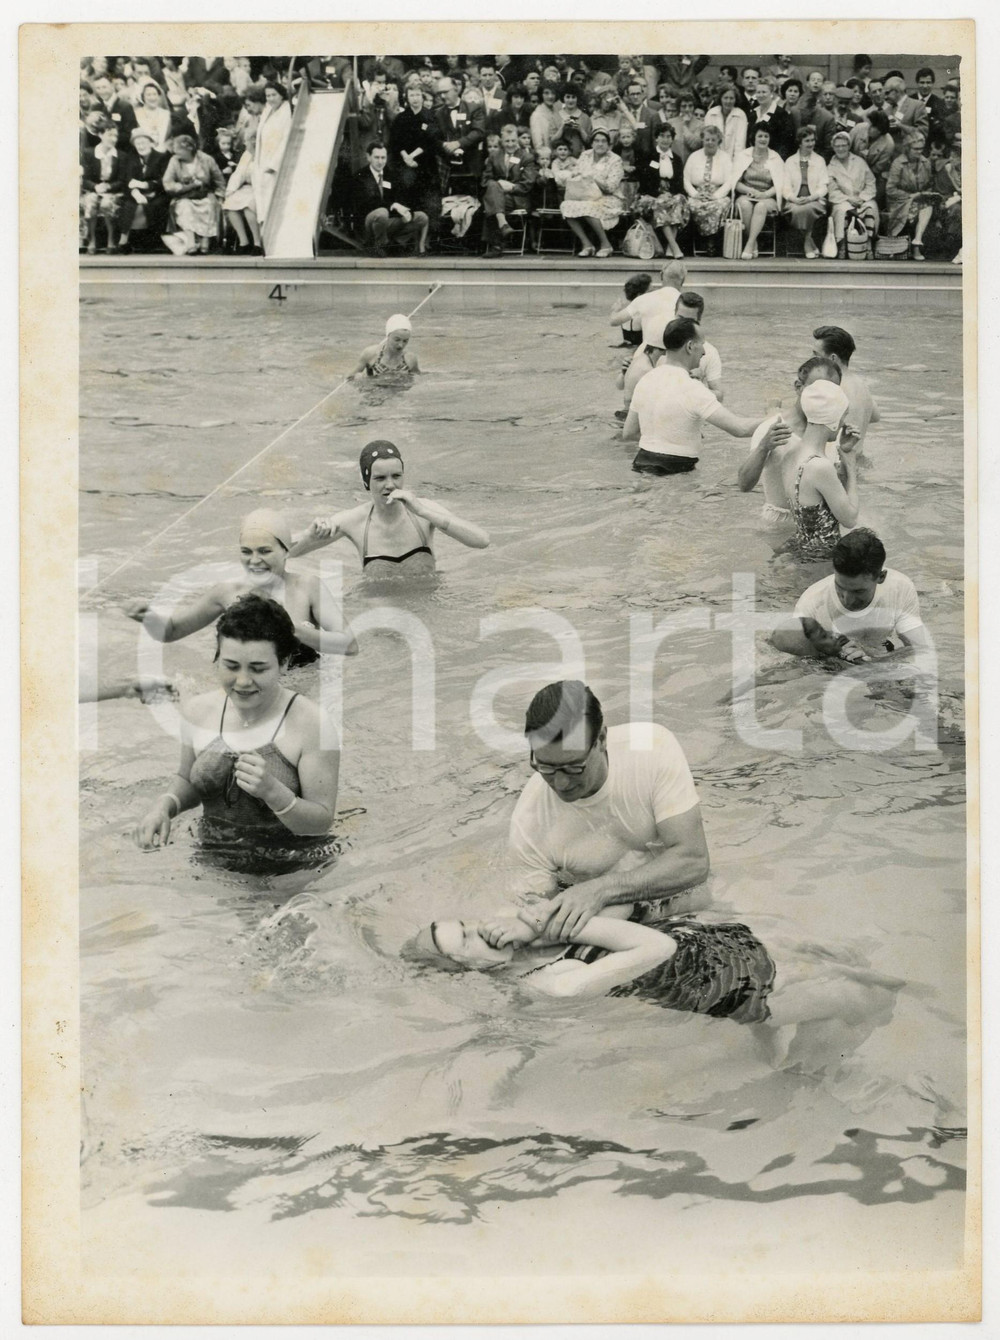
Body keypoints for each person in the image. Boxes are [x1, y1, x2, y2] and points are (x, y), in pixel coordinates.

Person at [133, 594, 341, 874]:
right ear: (217, 658)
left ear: (285, 663)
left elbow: (321, 821)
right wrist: (164, 806)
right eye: (231, 666)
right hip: (213, 858)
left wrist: (274, 792)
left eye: (258, 668)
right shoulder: (198, 711)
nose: (242, 681)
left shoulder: (312, 723)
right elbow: (186, 779)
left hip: (295, 867)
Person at [504, 680, 710, 941]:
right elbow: (534, 915)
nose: (560, 783)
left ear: (601, 739)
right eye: (545, 767)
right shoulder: (530, 820)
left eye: (573, 767)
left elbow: (694, 862)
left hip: (677, 900)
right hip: (600, 918)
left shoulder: (651, 749)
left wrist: (601, 890)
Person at [123, 508, 358, 665]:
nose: (254, 560)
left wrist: (291, 629)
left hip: (296, 693)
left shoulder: (308, 587)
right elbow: (172, 631)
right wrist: (148, 618)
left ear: (286, 551)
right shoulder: (227, 593)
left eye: (265, 551)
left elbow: (349, 645)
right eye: (246, 552)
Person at [289, 441, 490, 577]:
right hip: (380, 615)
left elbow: (482, 541)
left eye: (396, 476)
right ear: (366, 481)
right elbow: (287, 554)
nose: (390, 485)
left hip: (428, 608)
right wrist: (310, 535)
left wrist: (422, 512)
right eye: (380, 478)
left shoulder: (425, 510)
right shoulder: (354, 521)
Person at [623, 317, 777, 475]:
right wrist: (780, 419)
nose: (704, 352)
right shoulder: (693, 388)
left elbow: (628, 433)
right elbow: (739, 429)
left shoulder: (646, 379)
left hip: (640, 463)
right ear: (690, 346)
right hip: (676, 472)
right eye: (702, 344)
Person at [771, 528, 930, 663]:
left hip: (879, 655)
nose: (847, 599)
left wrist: (874, 660)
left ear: (881, 577)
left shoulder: (899, 588)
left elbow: (919, 648)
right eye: (840, 587)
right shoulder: (811, 603)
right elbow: (799, 662)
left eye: (858, 591)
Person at [777, 380, 860, 562]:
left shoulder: (790, 455)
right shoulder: (819, 466)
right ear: (833, 420)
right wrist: (851, 465)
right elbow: (850, 519)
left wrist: (843, 452)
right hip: (820, 562)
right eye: (843, 416)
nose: (843, 423)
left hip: (799, 550)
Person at [619, 290, 726, 417]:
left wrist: (697, 387)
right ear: (674, 314)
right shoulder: (656, 341)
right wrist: (624, 372)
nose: (682, 325)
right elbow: (621, 386)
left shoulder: (708, 352)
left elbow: (719, 396)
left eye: (689, 321)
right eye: (680, 318)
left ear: (699, 321)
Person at [811, 325, 880, 457]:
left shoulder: (831, 388)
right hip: (856, 462)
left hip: (837, 468)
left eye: (815, 354)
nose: (811, 359)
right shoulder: (861, 384)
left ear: (832, 358)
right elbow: (875, 416)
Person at [354, 141, 429, 257]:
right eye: (376, 157)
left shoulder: (391, 174)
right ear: (368, 157)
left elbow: (401, 198)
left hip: (387, 221)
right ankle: (379, 246)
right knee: (381, 212)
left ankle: (395, 245)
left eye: (383, 157)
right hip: (369, 224)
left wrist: (405, 212)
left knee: (421, 217)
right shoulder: (360, 176)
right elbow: (367, 204)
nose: (380, 161)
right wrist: (392, 205)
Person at [558, 127, 624, 257]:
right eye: (597, 141)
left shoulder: (615, 160)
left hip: (609, 198)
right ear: (592, 143)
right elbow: (578, 174)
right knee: (566, 205)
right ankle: (587, 244)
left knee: (588, 206)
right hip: (586, 195)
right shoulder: (585, 155)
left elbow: (611, 187)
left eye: (604, 141)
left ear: (609, 144)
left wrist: (593, 177)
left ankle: (606, 244)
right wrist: (574, 175)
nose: (600, 144)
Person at [161, 132, 226, 255]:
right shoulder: (174, 161)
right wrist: (183, 186)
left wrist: (220, 196)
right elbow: (167, 182)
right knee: (185, 207)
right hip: (184, 196)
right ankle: (191, 242)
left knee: (209, 204)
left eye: (178, 149)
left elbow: (219, 180)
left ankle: (205, 241)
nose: (175, 152)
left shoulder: (206, 159)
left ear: (189, 148)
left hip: (205, 194)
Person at [480, 121, 538, 256]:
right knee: (494, 188)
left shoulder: (526, 157)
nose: (510, 144)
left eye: (513, 140)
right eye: (507, 141)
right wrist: (499, 185)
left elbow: (528, 184)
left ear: (517, 139)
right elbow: (485, 181)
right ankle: (503, 224)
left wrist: (510, 187)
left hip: (519, 197)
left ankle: (495, 246)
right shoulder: (494, 156)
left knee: (493, 199)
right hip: (501, 197)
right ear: (502, 141)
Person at [729, 125, 784, 260]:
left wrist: (764, 195)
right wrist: (750, 191)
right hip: (746, 194)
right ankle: (753, 242)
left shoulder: (775, 157)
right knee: (745, 206)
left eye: (766, 136)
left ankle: (749, 244)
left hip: (767, 196)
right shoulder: (744, 155)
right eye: (760, 136)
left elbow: (780, 184)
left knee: (761, 206)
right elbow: (735, 182)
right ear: (753, 138)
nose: (763, 139)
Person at [637, 123, 689, 257]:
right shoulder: (648, 156)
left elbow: (679, 183)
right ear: (656, 138)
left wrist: (670, 193)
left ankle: (671, 248)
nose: (665, 140)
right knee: (661, 204)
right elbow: (644, 182)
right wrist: (659, 193)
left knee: (678, 200)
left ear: (672, 139)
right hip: (651, 195)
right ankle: (673, 246)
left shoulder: (676, 159)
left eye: (668, 136)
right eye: (662, 136)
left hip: (671, 195)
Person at [610, 259, 686, 350]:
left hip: (649, 354)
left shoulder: (644, 299)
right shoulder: (687, 302)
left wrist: (615, 309)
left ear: (661, 275)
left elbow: (613, 321)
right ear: (683, 279)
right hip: (676, 354)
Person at [116, 126, 171, 252]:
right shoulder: (130, 158)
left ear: (151, 143)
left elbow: (164, 180)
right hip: (135, 194)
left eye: (144, 143)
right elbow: (127, 180)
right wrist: (136, 193)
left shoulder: (162, 157)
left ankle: (154, 242)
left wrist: (145, 185)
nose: (141, 146)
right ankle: (124, 239)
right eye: (137, 143)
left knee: (155, 205)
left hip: (157, 193)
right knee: (130, 205)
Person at [884, 130, 936, 260]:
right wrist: (910, 196)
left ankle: (917, 241)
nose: (919, 152)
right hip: (899, 202)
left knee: (927, 206)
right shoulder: (898, 163)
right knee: (923, 208)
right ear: (907, 148)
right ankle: (916, 247)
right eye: (915, 149)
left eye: (921, 149)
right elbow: (890, 189)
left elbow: (929, 184)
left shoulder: (926, 163)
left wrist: (926, 193)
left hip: (920, 200)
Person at [826, 130, 879, 256]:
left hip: (862, 198)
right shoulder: (830, 167)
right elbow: (832, 190)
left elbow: (870, 182)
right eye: (837, 146)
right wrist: (848, 199)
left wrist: (862, 197)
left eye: (843, 145)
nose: (841, 149)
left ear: (849, 146)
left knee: (871, 207)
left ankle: (868, 244)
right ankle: (843, 244)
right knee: (841, 210)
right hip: (843, 200)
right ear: (833, 147)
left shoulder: (860, 162)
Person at [682, 124, 733, 249]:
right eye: (707, 139)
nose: (710, 142)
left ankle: (711, 240)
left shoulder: (725, 158)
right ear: (702, 140)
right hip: (698, 193)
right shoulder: (694, 157)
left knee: (718, 206)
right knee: (691, 205)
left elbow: (730, 181)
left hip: (718, 194)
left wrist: (715, 196)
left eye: (713, 140)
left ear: (718, 141)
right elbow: (686, 179)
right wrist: (695, 194)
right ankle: (699, 240)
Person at [80, 120, 128, 254]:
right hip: (94, 190)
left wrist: (108, 187)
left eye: (115, 136)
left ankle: (111, 240)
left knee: (107, 203)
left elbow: (122, 180)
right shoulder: (89, 153)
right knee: (90, 201)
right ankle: (92, 240)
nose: (113, 139)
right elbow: (85, 179)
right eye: (109, 135)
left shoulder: (121, 156)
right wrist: (95, 187)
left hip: (113, 191)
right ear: (100, 135)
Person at [782, 125, 828, 258]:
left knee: (807, 209)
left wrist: (812, 197)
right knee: (796, 210)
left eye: (813, 140)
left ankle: (807, 242)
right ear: (800, 143)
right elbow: (785, 187)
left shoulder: (819, 160)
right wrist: (793, 199)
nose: (811, 143)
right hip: (795, 200)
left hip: (814, 200)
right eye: (807, 141)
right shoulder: (790, 161)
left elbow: (824, 186)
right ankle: (811, 242)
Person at [252, 81, 292, 227]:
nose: (270, 98)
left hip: (275, 164)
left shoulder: (287, 111)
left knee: (273, 198)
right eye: (267, 95)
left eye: (274, 95)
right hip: (262, 158)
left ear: (281, 95)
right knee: (262, 197)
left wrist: (273, 164)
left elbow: (286, 139)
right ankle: (264, 231)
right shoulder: (268, 109)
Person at [351, 313, 421, 378]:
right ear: (388, 336)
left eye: (405, 341)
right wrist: (360, 379)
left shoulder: (410, 359)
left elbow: (417, 379)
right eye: (397, 340)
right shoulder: (370, 354)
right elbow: (348, 377)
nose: (401, 345)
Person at [703, 85, 747, 160]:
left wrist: (736, 164)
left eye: (731, 98)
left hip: (733, 160)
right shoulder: (711, 113)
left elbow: (740, 144)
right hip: (714, 158)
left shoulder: (740, 115)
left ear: (736, 99)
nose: (728, 101)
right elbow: (708, 139)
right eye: (725, 98)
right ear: (720, 99)